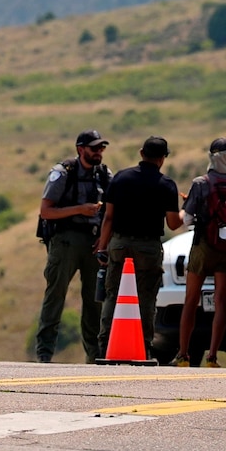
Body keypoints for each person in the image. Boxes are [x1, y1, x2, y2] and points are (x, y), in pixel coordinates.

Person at [95, 136, 184, 359]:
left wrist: (102, 247)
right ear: (163, 158)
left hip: (120, 243)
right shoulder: (166, 185)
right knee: (146, 297)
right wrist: (187, 209)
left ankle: (105, 346)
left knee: (113, 294)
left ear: (141, 153)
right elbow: (173, 222)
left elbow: (109, 217)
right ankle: (142, 348)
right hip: (148, 247)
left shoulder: (120, 179)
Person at [171, 137, 226, 368]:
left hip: (203, 245)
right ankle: (213, 356)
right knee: (221, 301)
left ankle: (183, 355)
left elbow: (186, 220)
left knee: (191, 300)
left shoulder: (200, 183)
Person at [34, 129, 112, 363]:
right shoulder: (63, 173)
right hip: (65, 240)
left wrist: (104, 240)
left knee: (94, 300)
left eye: (101, 148)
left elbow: (111, 210)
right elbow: (46, 211)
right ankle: (45, 353)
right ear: (81, 149)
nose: (99, 152)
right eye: (94, 148)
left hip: (93, 242)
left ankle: (95, 355)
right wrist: (80, 209)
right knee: (55, 295)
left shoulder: (104, 175)